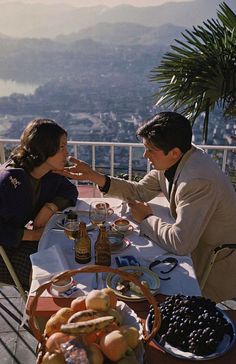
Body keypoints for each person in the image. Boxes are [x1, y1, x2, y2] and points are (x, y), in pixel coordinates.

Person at [57, 111, 236, 303]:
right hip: (196, 241)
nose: (145, 155)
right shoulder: (178, 157)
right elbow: (139, 191)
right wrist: (93, 176)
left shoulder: (197, 180)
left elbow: (181, 243)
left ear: (174, 152)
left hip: (214, 260)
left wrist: (146, 219)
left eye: (150, 150)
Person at [0, 118, 78, 291]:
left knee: (66, 255)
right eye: (62, 147)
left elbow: (70, 191)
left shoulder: (49, 174)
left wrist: (50, 207)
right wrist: (33, 235)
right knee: (50, 279)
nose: (67, 153)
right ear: (45, 148)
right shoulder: (9, 180)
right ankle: (39, 315)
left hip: (17, 241)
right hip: (3, 253)